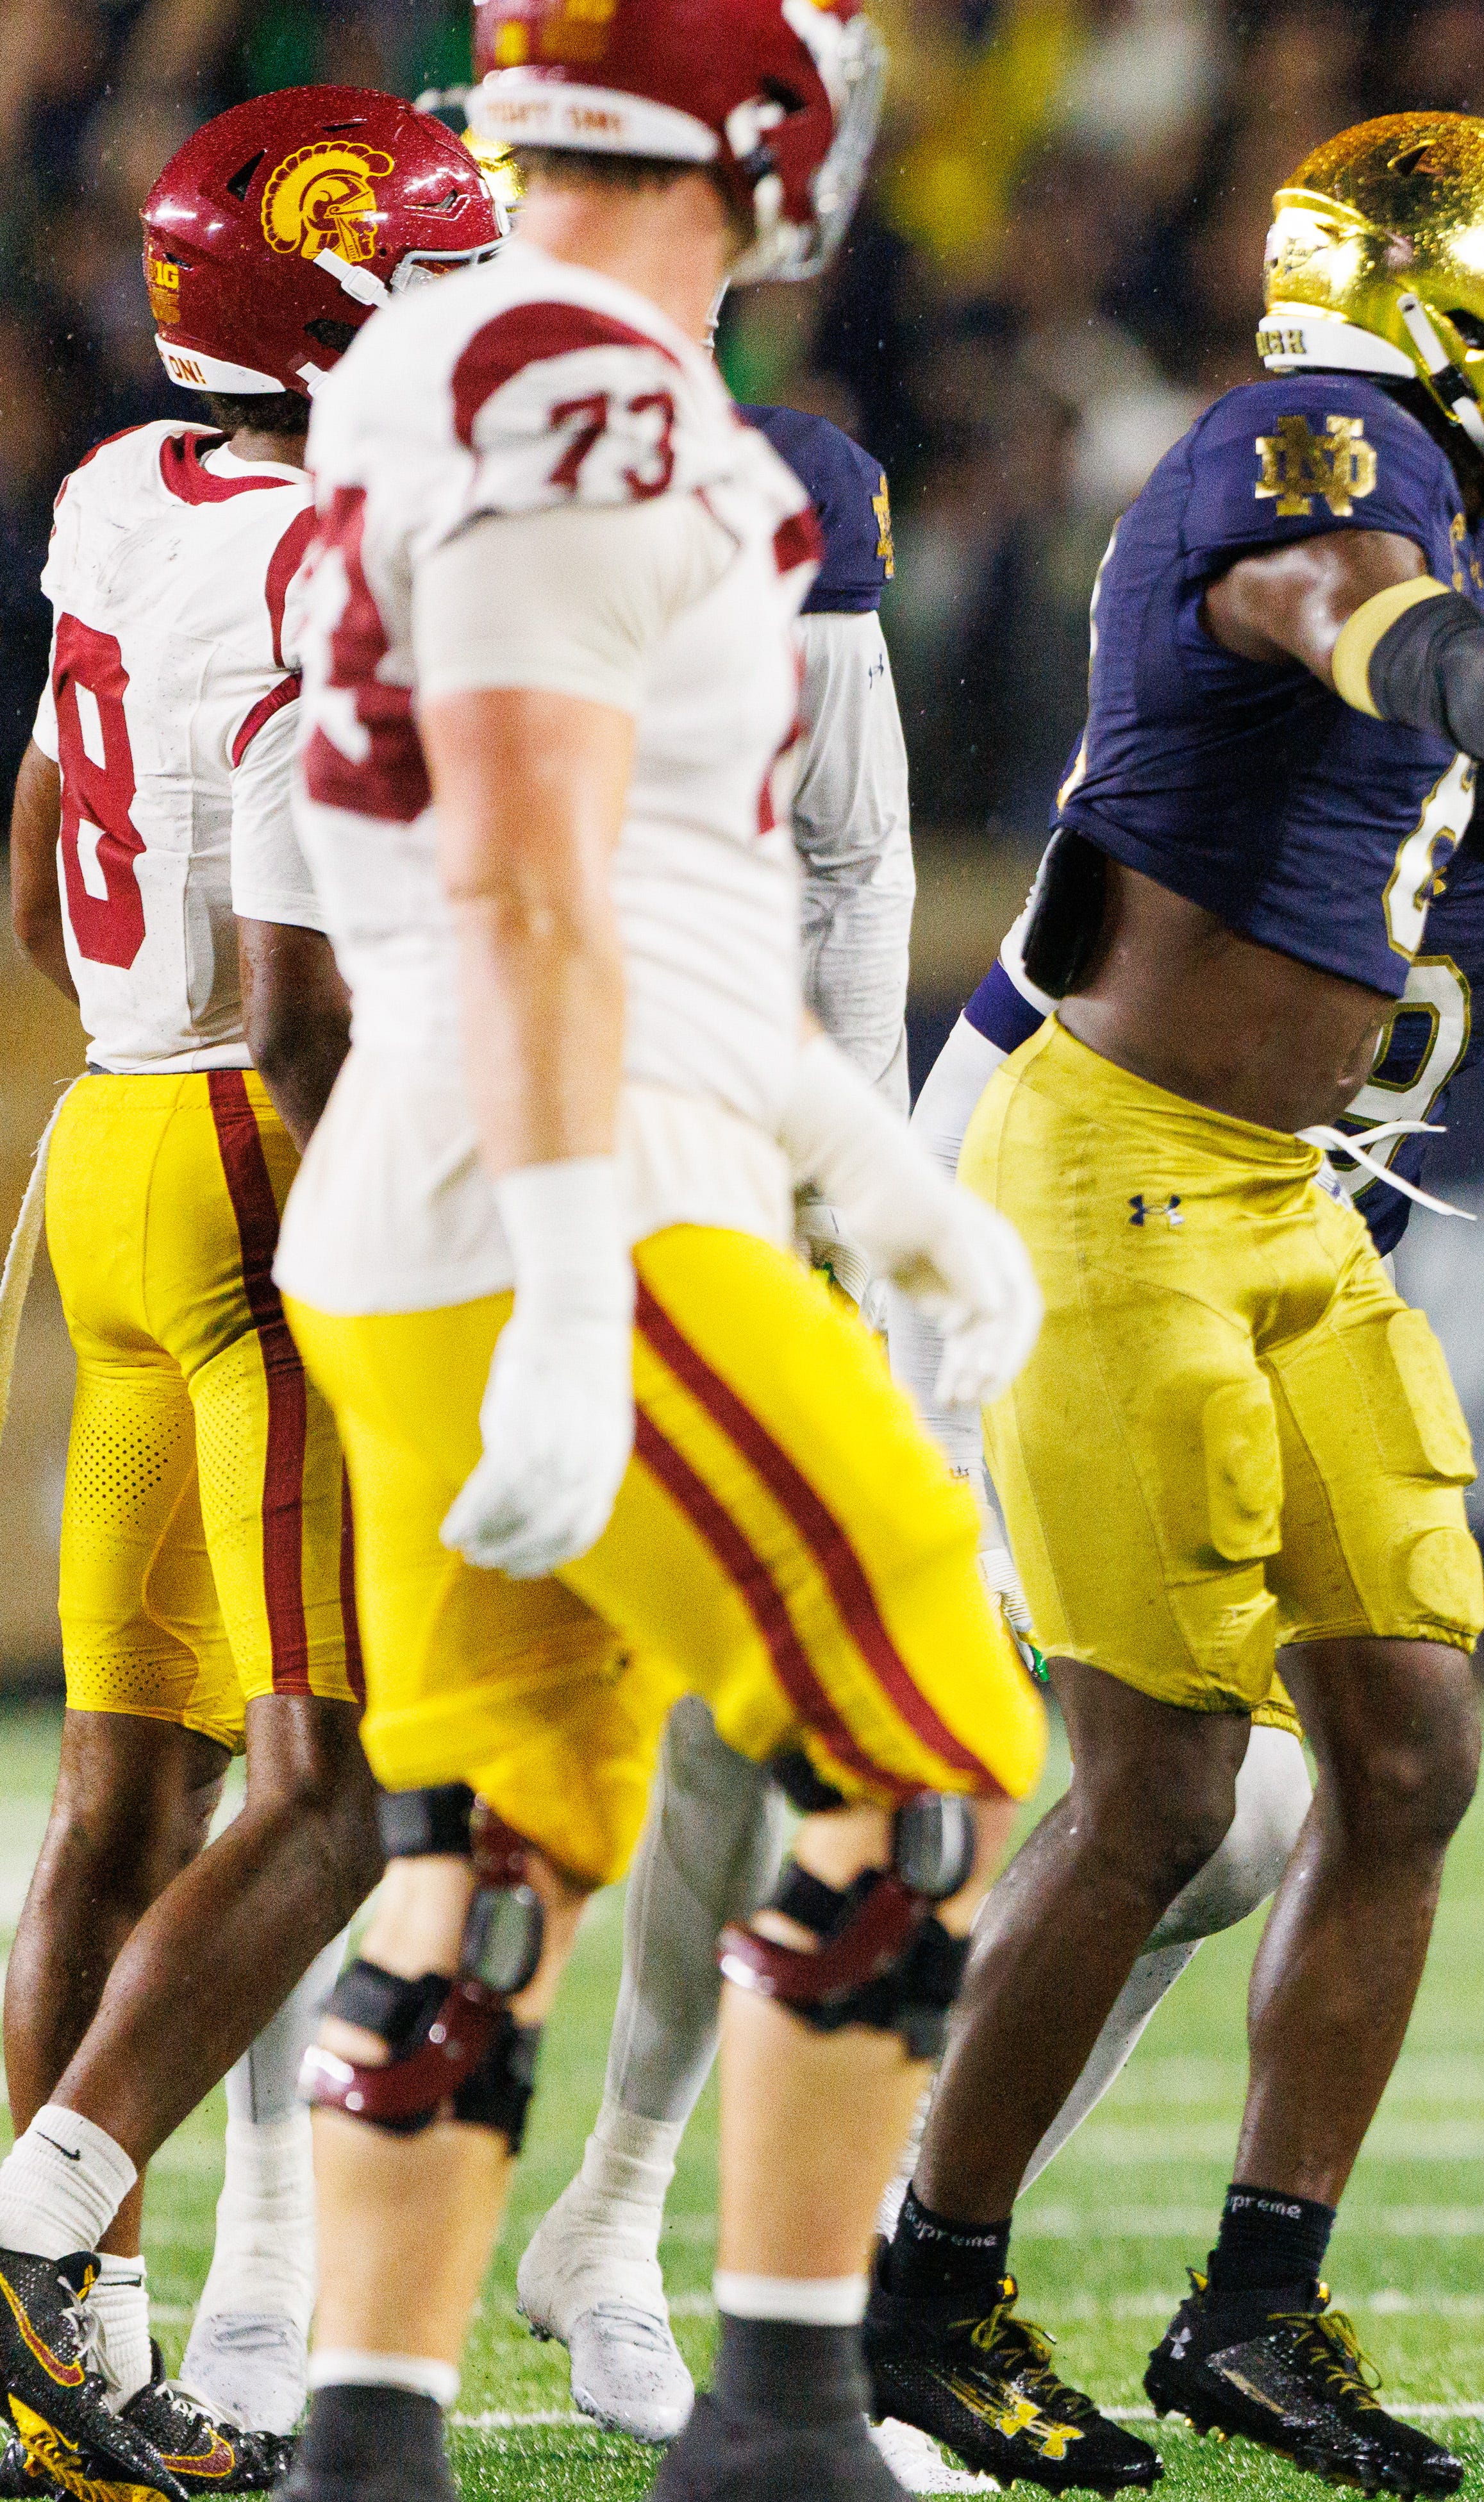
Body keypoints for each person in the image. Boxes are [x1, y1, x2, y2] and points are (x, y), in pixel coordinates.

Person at [864, 112, 1484, 2496]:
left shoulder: (1448, 539)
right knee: (1160, 1790)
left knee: (1410, 1753)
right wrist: (1458, 658)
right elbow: (1326, 611)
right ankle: (920, 2290)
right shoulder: (1299, 451)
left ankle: (1254, 2300)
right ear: (1459, 311)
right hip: (1101, 1165)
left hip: (1289, 1205)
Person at [192, 9, 1053, 2499]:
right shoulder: (601, 393)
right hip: (566, 1191)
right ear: (760, 124)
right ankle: (782, 2407)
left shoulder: (442, 352)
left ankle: (369, 2435)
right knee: (916, 1732)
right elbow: (534, 881)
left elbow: (610, 896)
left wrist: (858, 1159)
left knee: (491, 1845)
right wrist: (584, 1292)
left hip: (455, 1181)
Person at [0, 88, 504, 2498]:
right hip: (254, 1150)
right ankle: (43, 2221)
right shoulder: (344, 546)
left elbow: (34, 893)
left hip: (101, 1133)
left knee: (123, 1789)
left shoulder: (114, 495)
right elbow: (313, 969)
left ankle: (24, 2338)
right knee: (335, 1780)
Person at [499, 367, 937, 2443]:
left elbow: (855, 862)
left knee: (753, 1718)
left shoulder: (801, 483)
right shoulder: (391, 465)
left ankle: (614, 2214)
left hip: (696, 1161)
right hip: (447, 1144)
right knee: (347, 1762)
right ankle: (221, 2291)